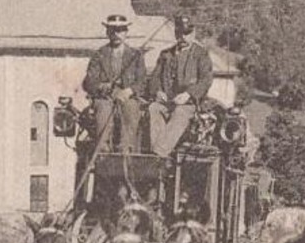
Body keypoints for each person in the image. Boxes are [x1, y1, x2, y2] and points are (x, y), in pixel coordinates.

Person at [149, 14, 214, 159]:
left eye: (187, 33)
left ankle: (158, 153)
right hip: (167, 101)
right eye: (179, 33)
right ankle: (156, 153)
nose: (183, 37)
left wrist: (188, 94)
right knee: (154, 108)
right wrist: (158, 91)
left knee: (180, 112)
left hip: (190, 104)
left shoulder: (201, 55)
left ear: (193, 33)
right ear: (175, 33)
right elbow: (154, 78)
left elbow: (206, 80)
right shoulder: (166, 55)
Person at [82, 14, 146, 153]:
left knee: (131, 108)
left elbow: (142, 81)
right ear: (107, 32)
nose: (117, 34)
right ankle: (103, 150)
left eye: (121, 30)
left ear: (126, 33)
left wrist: (129, 91)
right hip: (106, 98)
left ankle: (126, 149)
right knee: (103, 110)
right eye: (113, 30)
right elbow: (89, 82)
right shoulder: (99, 55)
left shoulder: (136, 55)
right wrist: (105, 88)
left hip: (127, 97)